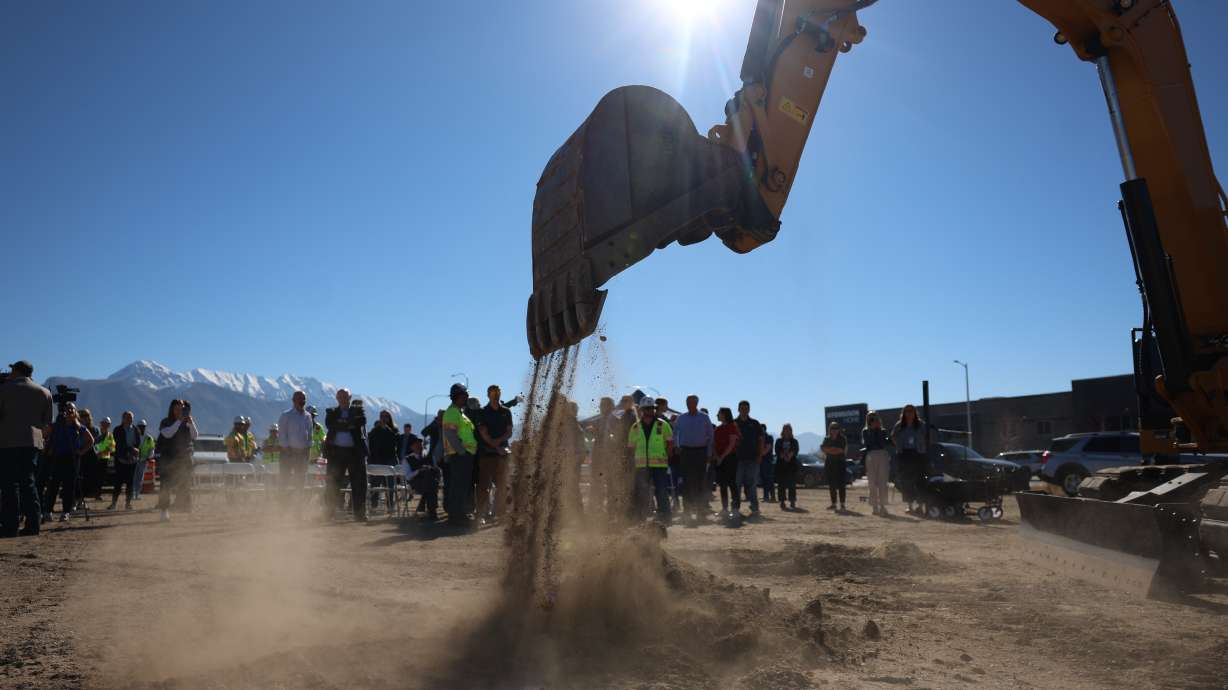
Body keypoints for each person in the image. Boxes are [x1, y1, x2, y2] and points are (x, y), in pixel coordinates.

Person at [0, 360, 52, 537]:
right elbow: (47, 423)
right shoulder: (44, 392)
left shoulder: (4, 389)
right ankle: (33, 525)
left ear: (16, 371)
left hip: (7, 442)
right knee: (29, 483)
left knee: (9, 484)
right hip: (32, 443)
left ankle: (10, 526)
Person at [323, 389, 369, 522]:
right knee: (333, 484)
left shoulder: (359, 411)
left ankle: (360, 514)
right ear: (337, 398)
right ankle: (329, 513)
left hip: (355, 453)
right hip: (336, 453)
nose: (343, 399)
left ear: (350, 398)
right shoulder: (331, 412)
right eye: (340, 397)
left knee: (359, 484)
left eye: (345, 396)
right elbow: (330, 424)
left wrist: (341, 424)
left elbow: (361, 422)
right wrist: (349, 424)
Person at [626, 397, 673, 522]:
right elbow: (631, 448)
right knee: (641, 492)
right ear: (641, 410)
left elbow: (670, 443)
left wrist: (667, 457)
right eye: (646, 408)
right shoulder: (635, 427)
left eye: (651, 408)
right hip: (641, 466)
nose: (649, 410)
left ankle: (665, 516)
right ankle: (640, 517)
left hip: (660, 465)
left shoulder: (663, 425)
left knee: (661, 491)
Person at [44, 403, 93, 523]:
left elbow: (91, 440)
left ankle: (66, 512)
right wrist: (48, 447)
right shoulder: (56, 425)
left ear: (76, 412)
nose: (70, 411)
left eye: (72, 409)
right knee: (53, 485)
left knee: (69, 486)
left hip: (72, 458)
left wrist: (81, 451)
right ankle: (48, 511)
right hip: (57, 458)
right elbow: (44, 434)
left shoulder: (78, 426)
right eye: (67, 409)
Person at [672, 394, 713, 523]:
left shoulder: (704, 417)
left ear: (696, 403)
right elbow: (675, 433)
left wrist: (709, 453)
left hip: (701, 452)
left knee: (701, 482)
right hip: (685, 452)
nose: (689, 404)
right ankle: (687, 511)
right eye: (687, 402)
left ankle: (701, 512)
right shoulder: (681, 418)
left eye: (691, 402)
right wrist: (676, 446)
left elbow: (710, 436)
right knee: (686, 482)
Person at [476, 384, 513, 522]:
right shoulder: (482, 412)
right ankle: (482, 514)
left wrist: (499, 443)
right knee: (484, 486)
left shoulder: (506, 411)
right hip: (487, 454)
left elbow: (509, 431)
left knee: (502, 485)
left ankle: (500, 513)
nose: (496, 395)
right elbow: (483, 433)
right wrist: (496, 446)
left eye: (497, 393)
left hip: (503, 454)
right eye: (493, 393)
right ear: (488, 395)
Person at [441, 384, 477, 525]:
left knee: (462, 486)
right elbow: (450, 434)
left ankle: (459, 514)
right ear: (456, 397)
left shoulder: (459, 413)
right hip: (459, 455)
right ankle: (456, 516)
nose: (466, 398)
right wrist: (462, 451)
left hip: (464, 455)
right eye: (464, 396)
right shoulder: (452, 413)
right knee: (458, 486)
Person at [156, 399, 197, 521]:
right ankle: (164, 510)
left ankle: (184, 507)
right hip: (168, 458)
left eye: (182, 408)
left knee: (185, 484)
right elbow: (168, 434)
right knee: (165, 485)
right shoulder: (165, 421)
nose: (180, 411)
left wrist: (191, 423)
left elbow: (195, 436)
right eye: (177, 408)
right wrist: (179, 421)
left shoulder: (187, 422)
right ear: (172, 409)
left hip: (183, 458)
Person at [278, 391, 313, 506]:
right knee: (284, 480)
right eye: (299, 399)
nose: (302, 401)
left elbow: (310, 435)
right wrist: (288, 450)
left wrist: (307, 450)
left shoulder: (308, 416)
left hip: (302, 454)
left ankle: (298, 506)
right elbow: (282, 434)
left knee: (300, 481)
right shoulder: (286, 415)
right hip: (288, 453)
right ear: (293, 400)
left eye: (303, 399)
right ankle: (282, 505)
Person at [587, 396, 621, 517]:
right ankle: (597, 509)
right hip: (598, 457)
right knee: (597, 483)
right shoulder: (597, 421)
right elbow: (593, 436)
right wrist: (592, 431)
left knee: (611, 484)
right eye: (601, 405)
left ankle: (611, 510)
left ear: (610, 406)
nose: (602, 407)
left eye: (604, 405)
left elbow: (619, 439)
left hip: (611, 457)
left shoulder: (617, 421)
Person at [891, 404, 928, 510]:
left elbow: (926, 436)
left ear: (915, 412)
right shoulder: (899, 424)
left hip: (918, 453)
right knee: (906, 481)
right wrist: (898, 446)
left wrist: (922, 446)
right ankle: (910, 505)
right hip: (904, 454)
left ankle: (920, 505)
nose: (909, 413)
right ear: (903, 413)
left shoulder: (920, 424)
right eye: (907, 411)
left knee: (920, 479)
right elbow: (893, 436)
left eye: (911, 411)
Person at [733, 401, 763, 517]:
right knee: (736, 484)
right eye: (742, 408)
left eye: (746, 408)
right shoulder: (734, 423)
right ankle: (735, 508)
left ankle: (755, 508)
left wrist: (760, 455)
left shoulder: (755, 423)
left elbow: (761, 440)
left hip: (753, 459)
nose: (744, 410)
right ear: (738, 409)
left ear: (749, 410)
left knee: (752, 485)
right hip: (737, 460)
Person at [108, 411, 141, 510]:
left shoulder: (136, 429)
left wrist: (134, 450)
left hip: (132, 460)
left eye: (131, 418)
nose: (129, 419)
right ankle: (113, 504)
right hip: (121, 459)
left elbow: (138, 442)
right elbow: (118, 443)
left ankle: (128, 503)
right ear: (123, 419)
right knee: (118, 483)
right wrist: (129, 450)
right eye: (127, 417)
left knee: (130, 483)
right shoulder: (117, 430)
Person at [367, 409, 399, 509]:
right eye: (382, 416)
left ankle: (390, 505)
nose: (383, 418)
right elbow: (370, 443)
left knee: (390, 485)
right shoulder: (375, 431)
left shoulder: (394, 431)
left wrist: (387, 429)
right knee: (375, 484)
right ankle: (374, 505)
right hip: (377, 460)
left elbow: (394, 444)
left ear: (389, 418)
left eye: (386, 416)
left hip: (389, 460)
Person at [862, 411, 892, 516]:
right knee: (872, 482)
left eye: (875, 418)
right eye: (871, 418)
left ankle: (883, 506)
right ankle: (874, 506)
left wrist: (878, 430)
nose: (873, 420)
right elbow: (868, 443)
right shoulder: (865, 431)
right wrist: (872, 430)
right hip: (871, 455)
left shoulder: (883, 431)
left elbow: (882, 443)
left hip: (882, 454)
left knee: (883, 481)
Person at [401, 436, 438, 520]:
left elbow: (436, 470)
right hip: (416, 483)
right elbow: (408, 477)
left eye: (419, 444)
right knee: (431, 484)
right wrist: (419, 470)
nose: (418, 446)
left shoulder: (430, 457)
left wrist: (430, 468)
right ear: (411, 447)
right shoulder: (407, 459)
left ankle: (424, 510)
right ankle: (431, 511)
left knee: (430, 480)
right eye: (415, 444)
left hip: (429, 481)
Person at [713, 407, 740, 517]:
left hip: (730, 458)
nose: (717, 415)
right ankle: (724, 509)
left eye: (719, 413)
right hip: (719, 459)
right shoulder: (717, 429)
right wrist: (717, 457)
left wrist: (722, 457)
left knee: (732, 483)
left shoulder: (732, 427)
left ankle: (735, 509)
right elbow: (713, 444)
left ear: (724, 414)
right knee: (722, 484)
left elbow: (732, 444)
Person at [821, 421, 850, 511]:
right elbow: (823, 449)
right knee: (832, 485)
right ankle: (833, 503)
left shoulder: (843, 439)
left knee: (841, 484)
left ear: (839, 429)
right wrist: (833, 450)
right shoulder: (826, 439)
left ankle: (842, 504)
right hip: (829, 464)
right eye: (832, 428)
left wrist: (830, 450)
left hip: (840, 463)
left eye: (836, 428)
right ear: (830, 429)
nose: (834, 430)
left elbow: (841, 450)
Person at [77, 409, 103, 503]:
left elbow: (98, 443)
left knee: (89, 479)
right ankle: (78, 500)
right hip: (79, 456)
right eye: (82, 416)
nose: (85, 418)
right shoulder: (77, 428)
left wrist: (99, 452)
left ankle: (83, 500)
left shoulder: (95, 429)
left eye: (87, 415)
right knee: (79, 479)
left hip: (92, 457)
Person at [775, 424, 800, 510]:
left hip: (792, 466)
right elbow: (777, 451)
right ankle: (782, 501)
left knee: (792, 485)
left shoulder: (794, 441)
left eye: (789, 429)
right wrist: (783, 456)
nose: (787, 431)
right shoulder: (778, 441)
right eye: (785, 429)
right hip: (781, 466)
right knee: (781, 485)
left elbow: (795, 450)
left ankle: (792, 501)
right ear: (783, 431)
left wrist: (789, 456)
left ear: (791, 431)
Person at [93, 417, 115, 501]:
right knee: (95, 476)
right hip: (96, 458)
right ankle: (94, 493)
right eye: (104, 423)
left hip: (104, 459)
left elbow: (112, 448)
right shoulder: (97, 433)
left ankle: (97, 494)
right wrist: (97, 452)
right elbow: (93, 444)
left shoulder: (110, 436)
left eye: (107, 424)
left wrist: (103, 452)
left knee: (101, 477)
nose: (105, 425)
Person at [134, 420, 155, 500]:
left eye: (143, 427)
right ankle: (132, 494)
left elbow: (152, 449)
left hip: (143, 460)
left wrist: (149, 457)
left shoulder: (149, 438)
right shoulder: (134, 437)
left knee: (140, 478)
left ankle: (136, 494)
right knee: (134, 477)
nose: (141, 428)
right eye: (140, 427)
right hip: (134, 460)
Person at [760, 423, 776, 503]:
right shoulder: (759, 438)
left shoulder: (769, 437)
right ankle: (766, 496)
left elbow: (767, 449)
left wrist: (760, 453)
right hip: (761, 461)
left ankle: (772, 497)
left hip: (767, 461)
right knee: (764, 480)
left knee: (769, 480)